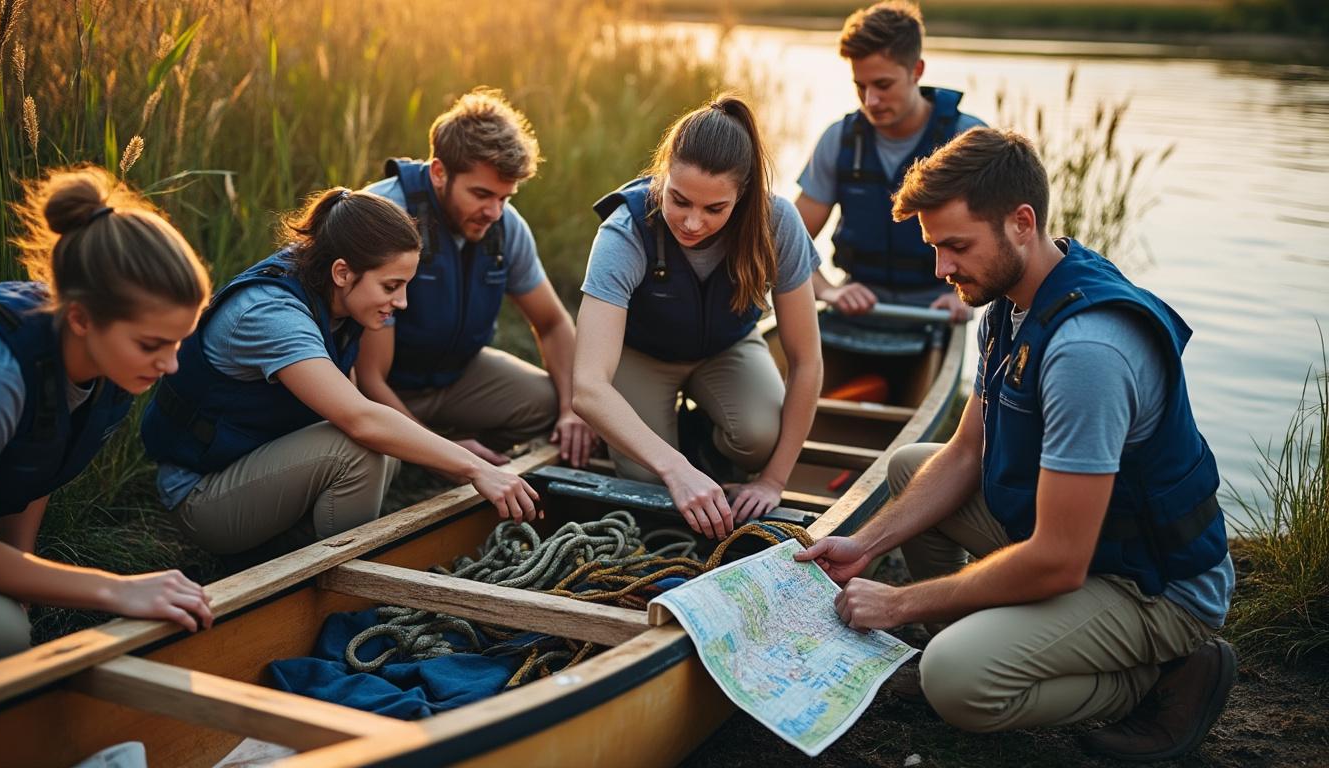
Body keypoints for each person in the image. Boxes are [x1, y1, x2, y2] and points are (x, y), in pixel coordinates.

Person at [797, 128, 1237, 762]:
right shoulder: (1011, 300)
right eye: (934, 247)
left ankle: (1169, 676)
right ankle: (998, 641)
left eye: (956, 246)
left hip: (1150, 589)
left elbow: (1059, 559)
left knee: (953, 680)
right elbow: (965, 452)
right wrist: (865, 544)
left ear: (1022, 223)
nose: (941, 269)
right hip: (1087, 554)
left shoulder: (1087, 353)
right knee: (911, 468)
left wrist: (899, 603)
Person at [141, 188, 539, 558]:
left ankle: (306, 541)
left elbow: (359, 406)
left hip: (255, 465)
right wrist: (474, 467)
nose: (400, 302)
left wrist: (446, 454)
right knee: (358, 448)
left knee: (389, 447)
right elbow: (359, 420)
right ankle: (346, 586)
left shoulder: (330, 290)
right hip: (201, 496)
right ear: (343, 273)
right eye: (390, 286)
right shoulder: (271, 315)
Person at [0, 167, 215, 661]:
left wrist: (22, 572)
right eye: (153, 344)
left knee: (8, 606)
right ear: (82, 318)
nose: (171, 364)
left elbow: (38, 454)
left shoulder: (108, 358)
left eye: (179, 342)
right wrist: (115, 589)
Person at [573, 94, 824, 540]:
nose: (691, 223)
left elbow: (806, 361)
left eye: (714, 209)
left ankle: (700, 440)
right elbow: (589, 387)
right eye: (679, 200)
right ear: (663, 174)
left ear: (742, 196)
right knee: (647, 483)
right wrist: (673, 469)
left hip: (726, 348)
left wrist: (773, 481)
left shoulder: (778, 222)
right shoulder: (623, 232)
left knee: (759, 440)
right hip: (642, 354)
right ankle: (676, 450)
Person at [357, 88, 596, 468]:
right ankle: (428, 453)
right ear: (439, 172)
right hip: (380, 389)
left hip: (454, 375)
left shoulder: (505, 226)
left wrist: (572, 409)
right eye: (482, 194)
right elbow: (369, 379)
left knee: (549, 402)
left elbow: (551, 323)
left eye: (505, 197)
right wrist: (445, 456)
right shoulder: (386, 216)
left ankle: (447, 444)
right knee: (379, 456)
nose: (495, 212)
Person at [795, 0, 984, 321]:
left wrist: (967, 296)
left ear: (917, 71)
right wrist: (827, 290)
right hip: (857, 305)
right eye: (860, 86)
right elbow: (785, 244)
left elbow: (1005, 240)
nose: (871, 100)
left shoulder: (968, 139)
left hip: (939, 311)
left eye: (883, 85)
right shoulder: (838, 140)